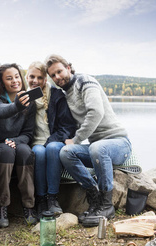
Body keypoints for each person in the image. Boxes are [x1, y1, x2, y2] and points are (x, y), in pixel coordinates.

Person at [44, 54, 132, 227]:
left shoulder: (84, 81)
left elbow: (96, 113)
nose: (57, 77)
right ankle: (94, 196)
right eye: (53, 75)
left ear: (68, 67)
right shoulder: (64, 93)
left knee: (97, 148)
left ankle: (107, 206)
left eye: (59, 71)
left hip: (119, 144)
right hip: (96, 147)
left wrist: (77, 139)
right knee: (66, 152)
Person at [0, 63, 37, 227]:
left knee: (25, 151)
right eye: (9, 78)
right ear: (1, 82)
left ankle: (29, 206)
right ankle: (1, 205)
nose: (15, 81)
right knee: (6, 152)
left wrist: (16, 141)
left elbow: (28, 134)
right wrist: (18, 105)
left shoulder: (30, 102)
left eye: (17, 76)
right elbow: (1, 111)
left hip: (16, 143)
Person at [26, 61, 76, 218]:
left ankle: (52, 198)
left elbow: (67, 127)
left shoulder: (56, 96)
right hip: (35, 143)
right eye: (32, 77)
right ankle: (41, 200)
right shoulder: (24, 97)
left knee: (52, 148)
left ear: (45, 80)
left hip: (55, 140)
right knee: (39, 153)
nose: (35, 81)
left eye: (39, 78)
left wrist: (50, 141)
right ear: (26, 77)